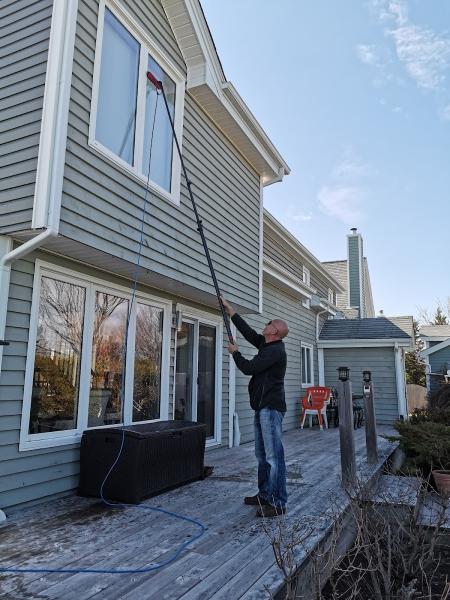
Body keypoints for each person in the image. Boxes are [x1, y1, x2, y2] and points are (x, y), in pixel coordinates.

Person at [221, 296, 288, 518]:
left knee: (273, 457)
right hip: (262, 408)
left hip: (270, 408)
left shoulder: (275, 351)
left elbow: (249, 368)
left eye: (269, 323)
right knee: (262, 455)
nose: (266, 324)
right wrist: (231, 312)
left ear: (274, 332)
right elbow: (250, 334)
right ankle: (265, 495)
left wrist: (235, 353)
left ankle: (278, 503)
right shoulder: (268, 345)